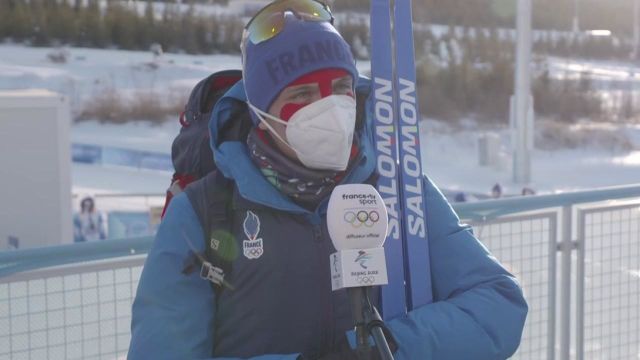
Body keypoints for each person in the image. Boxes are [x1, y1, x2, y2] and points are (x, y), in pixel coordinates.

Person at [128, 1, 528, 359]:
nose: (329, 110)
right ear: (262, 115)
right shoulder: (203, 214)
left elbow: (499, 304)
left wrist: (387, 347)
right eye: (301, 96)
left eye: (340, 88)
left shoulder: (395, 188)